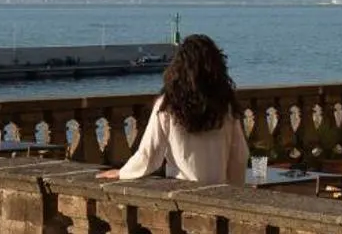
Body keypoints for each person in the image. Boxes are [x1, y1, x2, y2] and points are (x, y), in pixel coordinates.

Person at [99, 34, 249, 184]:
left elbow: (149, 153)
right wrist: (235, 187)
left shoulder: (168, 105)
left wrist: (123, 172)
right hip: (219, 192)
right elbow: (239, 155)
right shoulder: (225, 105)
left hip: (182, 191)